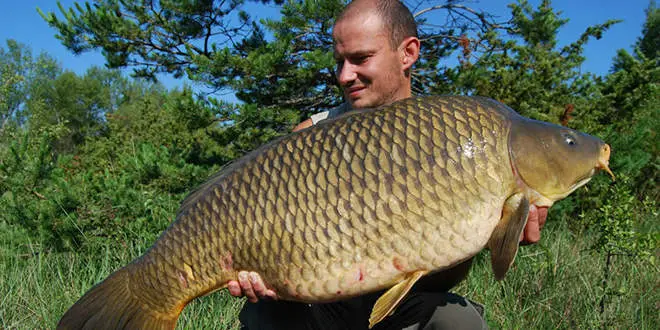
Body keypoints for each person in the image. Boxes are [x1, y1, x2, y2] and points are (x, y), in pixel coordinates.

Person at [228, 0, 548, 329]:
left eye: (360, 58)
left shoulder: (450, 136)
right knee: (265, 312)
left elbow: (443, 276)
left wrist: (501, 228)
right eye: (340, 62)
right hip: (327, 305)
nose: (344, 76)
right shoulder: (310, 137)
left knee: (458, 321)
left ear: (408, 53)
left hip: (405, 306)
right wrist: (262, 275)